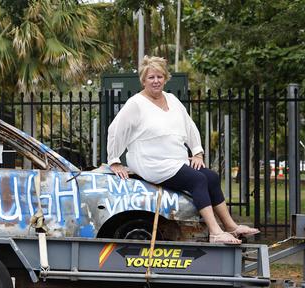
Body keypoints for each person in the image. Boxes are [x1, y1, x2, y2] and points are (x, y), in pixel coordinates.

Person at [107, 56, 259, 244]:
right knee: (197, 180)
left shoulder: (172, 99)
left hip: (175, 159)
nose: (156, 81)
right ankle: (215, 232)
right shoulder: (136, 103)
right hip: (151, 161)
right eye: (151, 77)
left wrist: (197, 152)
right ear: (143, 80)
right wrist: (114, 160)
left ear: (166, 78)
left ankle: (231, 226)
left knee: (211, 177)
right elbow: (115, 130)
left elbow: (189, 126)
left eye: (160, 76)